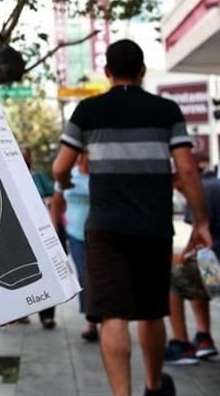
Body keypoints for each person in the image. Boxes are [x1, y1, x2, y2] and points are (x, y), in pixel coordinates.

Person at [52, 39, 212, 396]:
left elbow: (61, 167)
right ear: (142, 71)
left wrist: (65, 183)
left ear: (107, 72)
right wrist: (201, 222)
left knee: (113, 314)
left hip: (106, 228)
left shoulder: (87, 111)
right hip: (153, 226)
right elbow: (187, 169)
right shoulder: (166, 110)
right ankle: (153, 386)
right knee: (152, 311)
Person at [164, 155, 220, 364]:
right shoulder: (214, 184)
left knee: (171, 276)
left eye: (174, 182)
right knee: (194, 270)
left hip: (216, 268)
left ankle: (181, 344)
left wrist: (179, 259)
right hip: (212, 264)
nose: (175, 188)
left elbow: (197, 240)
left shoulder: (197, 192)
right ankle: (204, 337)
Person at [49, 149, 98, 342]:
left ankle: (102, 315)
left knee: (98, 274)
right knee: (83, 274)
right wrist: (54, 227)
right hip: (75, 234)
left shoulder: (99, 175)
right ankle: (91, 321)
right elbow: (56, 202)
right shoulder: (67, 175)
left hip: (98, 234)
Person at [23, 146, 59, 329]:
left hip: (40, 228)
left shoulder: (37, 178)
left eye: (25, 157)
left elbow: (53, 195)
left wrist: (46, 202)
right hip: (21, 232)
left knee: (45, 271)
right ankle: (20, 312)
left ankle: (47, 315)